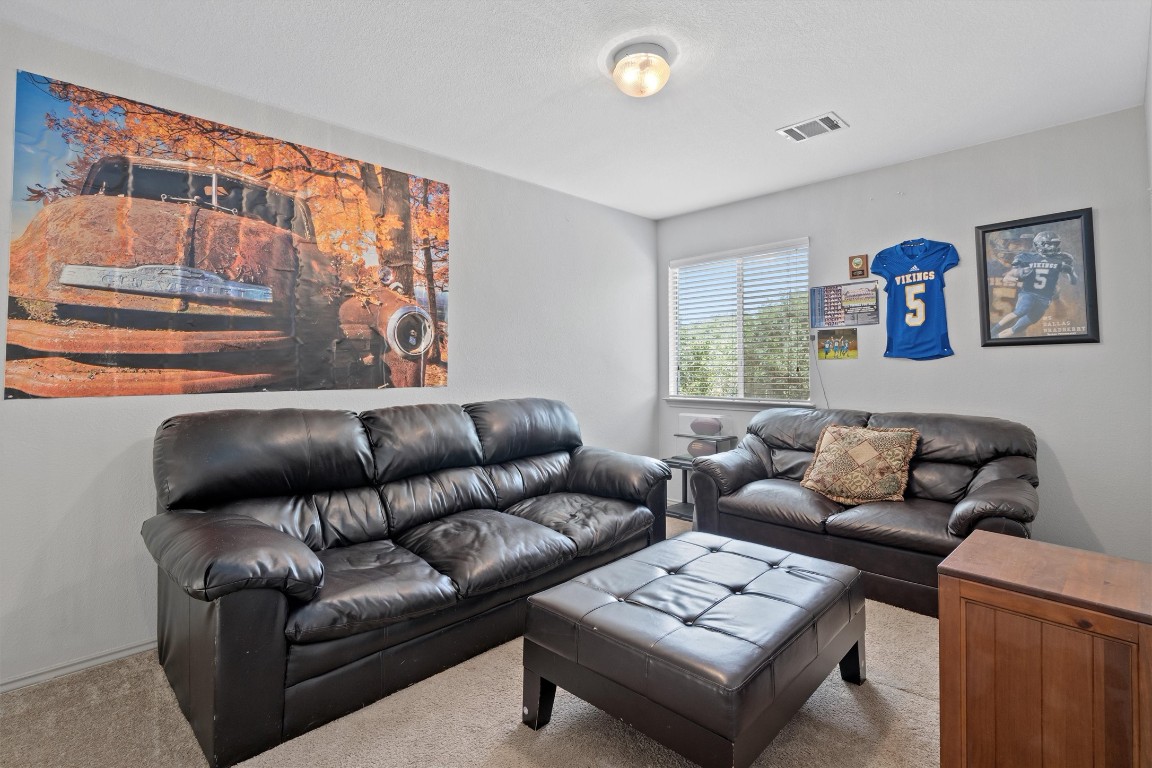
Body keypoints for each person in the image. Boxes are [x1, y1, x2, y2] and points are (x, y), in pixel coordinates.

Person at [988, 231, 1078, 338]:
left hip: (1015, 335)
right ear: (1000, 244)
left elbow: (1060, 313)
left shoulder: (1038, 266)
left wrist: (1056, 296)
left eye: (1027, 243)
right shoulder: (988, 269)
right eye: (1017, 243)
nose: (1023, 247)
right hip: (987, 330)